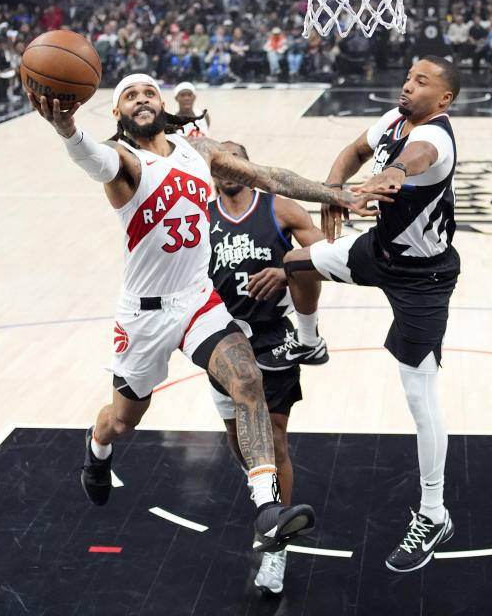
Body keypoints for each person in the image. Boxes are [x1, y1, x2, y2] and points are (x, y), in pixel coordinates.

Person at [27, 73, 387, 555]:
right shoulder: (125, 163)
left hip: (198, 299)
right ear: (117, 114)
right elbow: (92, 157)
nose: (141, 99)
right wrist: (68, 129)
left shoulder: (199, 150)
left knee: (248, 380)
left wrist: (332, 193)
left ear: (161, 102)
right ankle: (96, 450)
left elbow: (269, 176)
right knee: (124, 418)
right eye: (128, 96)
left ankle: (267, 509)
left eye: (148, 92)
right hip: (146, 315)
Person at [269, 55, 461, 573]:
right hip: (378, 252)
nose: (407, 85)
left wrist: (392, 173)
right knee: (295, 261)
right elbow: (355, 150)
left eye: (422, 82)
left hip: (424, 281)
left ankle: (434, 512)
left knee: (420, 397)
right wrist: (334, 188)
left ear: (444, 99)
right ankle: (309, 339)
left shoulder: (436, 138)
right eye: (407, 77)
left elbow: (414, 159)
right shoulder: (395, 121)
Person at [207, 140, 325, 593]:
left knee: (274, 442)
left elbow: (324, 260)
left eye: (237, 160)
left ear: (251, 167)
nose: (229, 168)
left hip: (273, 338)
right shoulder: (198, 213)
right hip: (218, 339)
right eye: (221, 162)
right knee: (241, 445)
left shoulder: (281, 209)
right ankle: (265, 489)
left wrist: (289, 266)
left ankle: (275, 548)